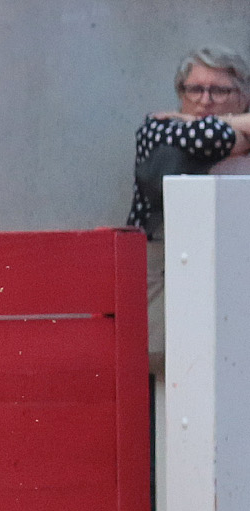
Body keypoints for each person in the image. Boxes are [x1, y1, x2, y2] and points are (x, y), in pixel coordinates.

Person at [127, 47, 250, 373]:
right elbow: (211, 136)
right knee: (176, 366)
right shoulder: (159, 129)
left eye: (219, 90)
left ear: (243, 95)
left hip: (238, 275)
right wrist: (237, 128)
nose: (205, 100)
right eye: (194, 89)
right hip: (173, 271)